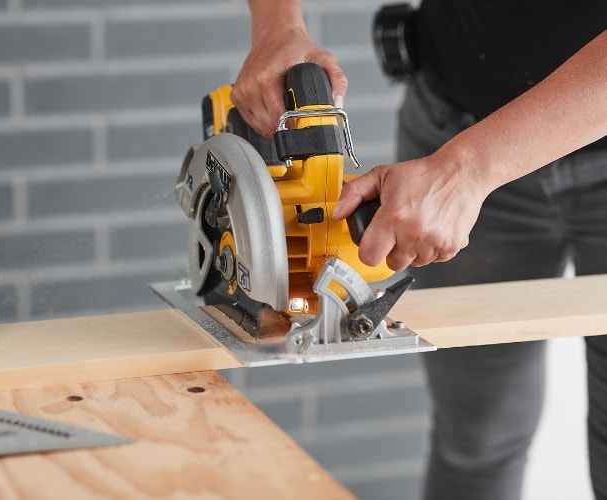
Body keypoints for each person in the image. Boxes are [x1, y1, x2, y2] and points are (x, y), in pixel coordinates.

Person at [231, 1, 607, 499]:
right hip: (451, 119)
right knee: (477, 439)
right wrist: (277, 26)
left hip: (466, 160)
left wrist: (467, 169)